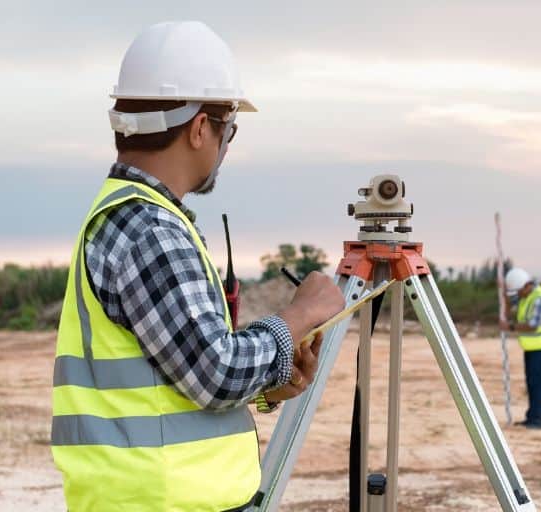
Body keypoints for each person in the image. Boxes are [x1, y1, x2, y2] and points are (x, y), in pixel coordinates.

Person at [49, 21, 345, 511]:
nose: (227, 146)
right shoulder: (149, 229)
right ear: (200, 127)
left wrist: (273, 380)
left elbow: (175, 383)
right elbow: (216, 372)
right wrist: (300, 315)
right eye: (229, 129)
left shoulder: (134, 217)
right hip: (163, 501)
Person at [500, 268, 541, 430]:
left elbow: (533, 326)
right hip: (532, 346)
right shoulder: (524, 295)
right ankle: (532, 417)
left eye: (518, 291)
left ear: (527, 286)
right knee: (531, 382)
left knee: (536, 382)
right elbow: (508, 311)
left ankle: (539, 420)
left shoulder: (539, 298)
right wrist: (505, 298)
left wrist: (510, 327)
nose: (517, 295)